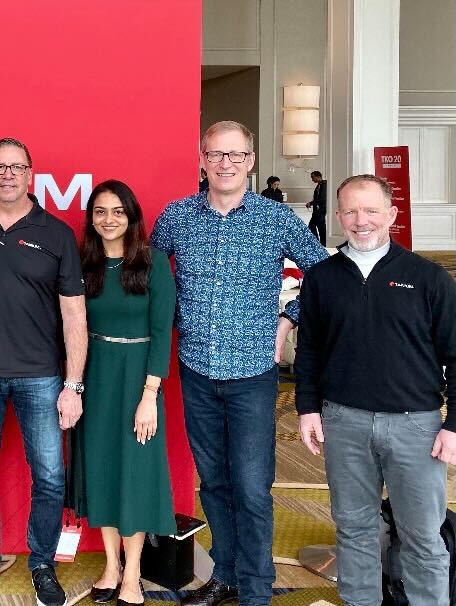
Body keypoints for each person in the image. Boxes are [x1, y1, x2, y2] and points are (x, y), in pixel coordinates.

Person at [150, 121, 327, 606]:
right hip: (197, 371)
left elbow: (325, 276)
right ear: (202, 159)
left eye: (236, 155)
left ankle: (255, 589)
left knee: (251, 489)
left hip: (253, 376)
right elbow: (146, 280)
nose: (225, 163)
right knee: (215, 484)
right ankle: (224, 575)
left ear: (250, 160)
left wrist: (288, 320)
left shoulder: (277, 220)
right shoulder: (176, 218)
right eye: (216, 154)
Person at [295, 174, 456, 606]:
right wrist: (308, 409)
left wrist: (454, 424)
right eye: (349, 210)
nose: (359, 220)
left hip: (417, 428)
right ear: (338, 216)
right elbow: (309, 350)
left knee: (423, 535)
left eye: (370, 210)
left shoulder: (428, 278)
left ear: (391, 215)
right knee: (354, 529)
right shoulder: (322, 279)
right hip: (343, 422)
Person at [0, 138, 86, 606]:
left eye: (17, 167)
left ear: (31, 173)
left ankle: (43, 563)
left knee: (50, 475)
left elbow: (74, 315)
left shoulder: (55, 233)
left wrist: (73, 384)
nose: (8, 174)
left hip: (41, 376)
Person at [73, 180, 176, 606]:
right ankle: (111, 565)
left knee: (133, 475)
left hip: (139, 381)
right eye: (100, 211)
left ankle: (133, 574)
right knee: (102, 471)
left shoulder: (152, 264)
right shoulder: (85, 263)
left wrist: (149, 395)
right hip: (95, 378)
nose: (108, 219)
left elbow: (161, 332)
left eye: (118, 211)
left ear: (132, 217)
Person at [305, 170, 327, 245]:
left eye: (313, 177)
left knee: (313, 226)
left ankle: (317, 243)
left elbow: (322, 198)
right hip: (318, 210)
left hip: (320, 210)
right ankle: (322, 244)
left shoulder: (324, 185)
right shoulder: (320, 185)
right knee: (321, 227)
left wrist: (311, 203)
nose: (312, 179)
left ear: (318, 176)